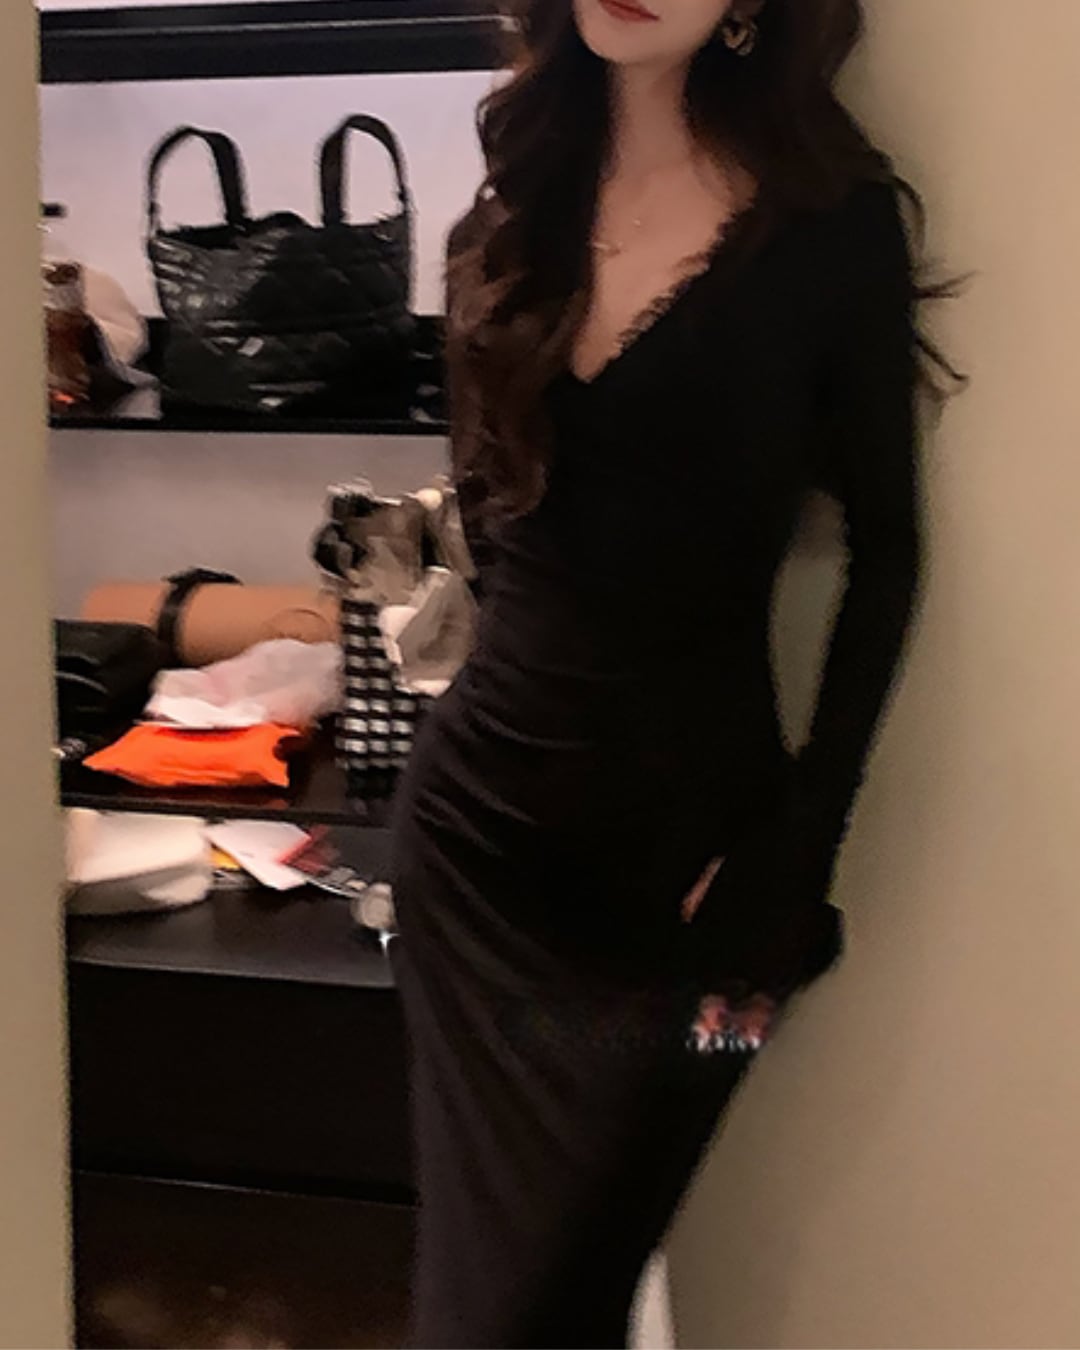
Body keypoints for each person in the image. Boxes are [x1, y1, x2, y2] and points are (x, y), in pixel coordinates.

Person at [389, 0, 937, 1344]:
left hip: (690, 890)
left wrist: (795, 853)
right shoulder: (504, 216)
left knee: (550, 1297)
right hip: (472, 857)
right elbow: (497, 533)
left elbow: (888, 554)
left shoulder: (834, 226)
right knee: (477, 1308)